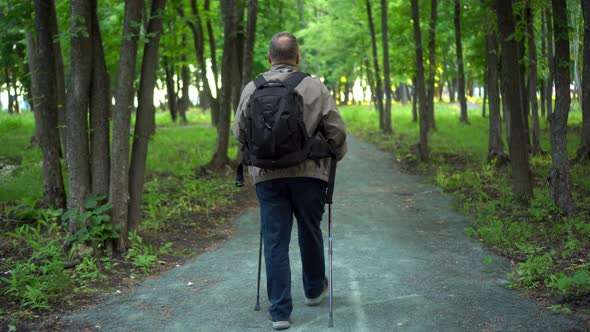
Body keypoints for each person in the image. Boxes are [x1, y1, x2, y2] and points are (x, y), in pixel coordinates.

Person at [232, 31, 347, 330]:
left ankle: (280, 312)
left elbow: (238, 132)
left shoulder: (251, 88)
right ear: (297, 57)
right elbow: (337, 132)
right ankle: (312, 290)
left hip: (267, 178)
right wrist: (333, 157)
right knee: (310, 230)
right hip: (309, 174)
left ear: (269, 58)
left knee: (274, 240)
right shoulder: (314, 87)